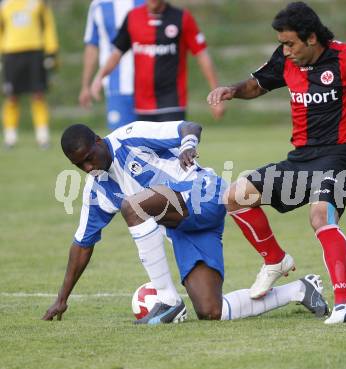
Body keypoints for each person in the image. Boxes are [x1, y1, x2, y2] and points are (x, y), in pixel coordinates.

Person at [207, 1, 346, 324]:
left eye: (290, 43)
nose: (285, 50)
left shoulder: (344, 58)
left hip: (337, 156)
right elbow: (258, 84)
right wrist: (232, 90)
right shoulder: (286, 58)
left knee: (320, 214)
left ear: (312, 39)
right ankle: (275, 260)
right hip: (300, 159)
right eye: (282, 43)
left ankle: (345, 304)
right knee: (236, 195)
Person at [42, 119, 328, 324]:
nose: (88, 167)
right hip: (185, 228)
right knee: (211, 311)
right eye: (80, 165)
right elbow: (82, 244)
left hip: (203, 193)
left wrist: (187, 146)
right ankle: (301, 290)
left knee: (133, 204)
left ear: (99, 141)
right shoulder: (97, 191)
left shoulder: (130, 136)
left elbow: (188, 127)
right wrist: (62, 297)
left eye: (90, 158)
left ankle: (166, 299)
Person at [90, 0, 225, 122]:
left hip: (172, 103)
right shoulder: (133, 17)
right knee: (143, 149)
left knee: (174, 149)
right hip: (142, 105)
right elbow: (117, 52)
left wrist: (216, 94)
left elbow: (202, 54)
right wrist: (99, 77)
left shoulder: (182, 18)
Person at [0, 0, 58, 148]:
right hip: (11, 53)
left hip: (35, 52)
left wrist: (51, 50)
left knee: (38, 95)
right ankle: (10, 137)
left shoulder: (39, 3)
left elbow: (48, 26)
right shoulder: (4, 4)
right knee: (11, 97)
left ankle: (43, 137)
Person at [79, 0, 145, 131]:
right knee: (121, 141)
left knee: (156, 141)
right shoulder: (99, 5)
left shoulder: (147, 3)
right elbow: (92, 47)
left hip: (149, 86)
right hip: (116, 86)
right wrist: (85, 86)